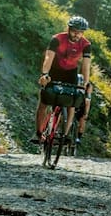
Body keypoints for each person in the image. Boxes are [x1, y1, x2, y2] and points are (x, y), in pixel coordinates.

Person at [32, 15, 91, 144]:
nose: (77, 34)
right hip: (54, 70)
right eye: (74, 31)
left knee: (72, 103)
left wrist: (86, 83)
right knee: (44, 101)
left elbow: (86, 65)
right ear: (69, 29)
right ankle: (38, 133)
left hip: (71, 73)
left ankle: (65, 134)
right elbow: (48, 57)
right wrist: (45, 74)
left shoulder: (86, 45)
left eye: (80, 32)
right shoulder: (57, 39)